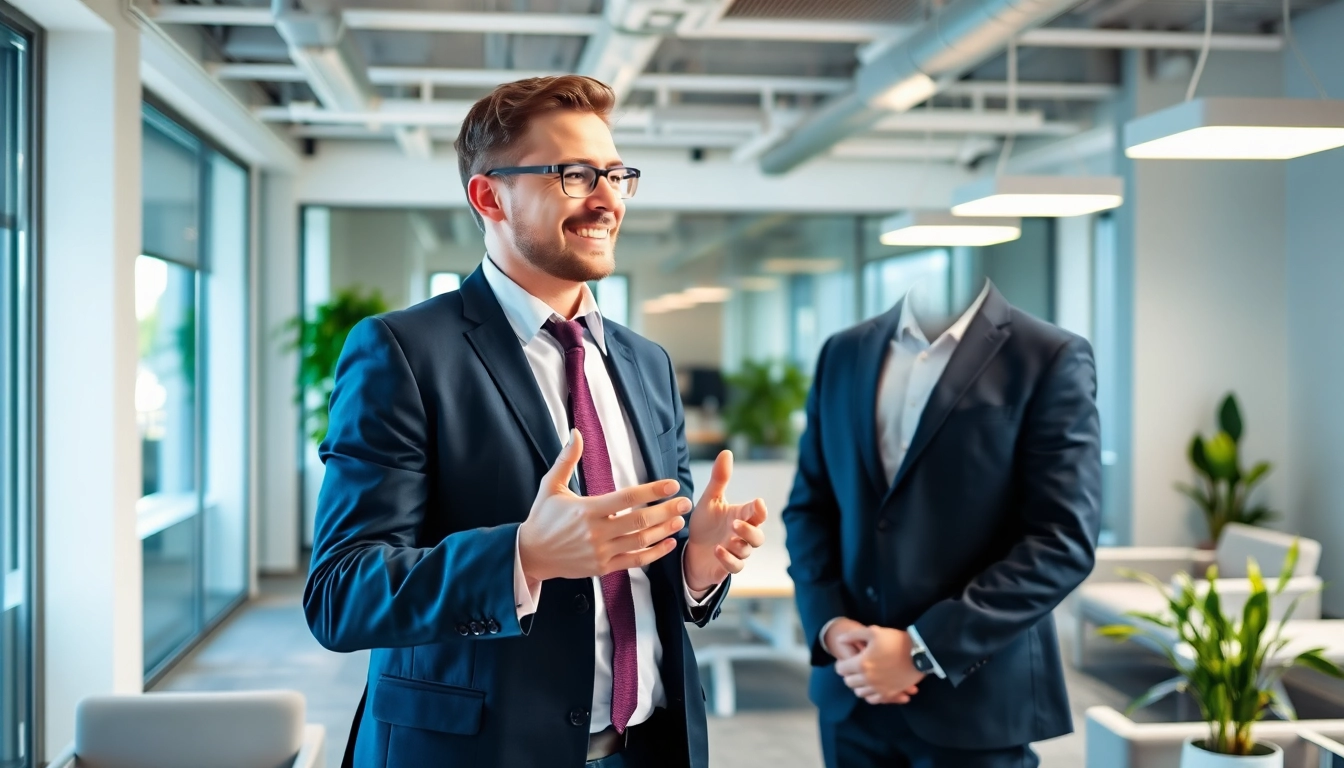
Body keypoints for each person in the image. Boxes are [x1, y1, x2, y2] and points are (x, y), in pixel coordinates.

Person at [304, 75, 767, 768]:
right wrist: (523, 556)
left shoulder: (646, 362)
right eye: (575, 175)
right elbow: (342, 592)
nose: (607, 198)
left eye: (616, 175)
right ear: (490, 196)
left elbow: (642, 584)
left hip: (648, 749)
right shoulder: (402, 352)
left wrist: (696, 567)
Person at [782, 278, 1101, 767]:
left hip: (976, 696)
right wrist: (829, 622)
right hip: (852, 689)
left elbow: (1062, 540)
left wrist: (920, 648)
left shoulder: (1049, 355)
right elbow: (811, 506)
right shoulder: (843, 352)